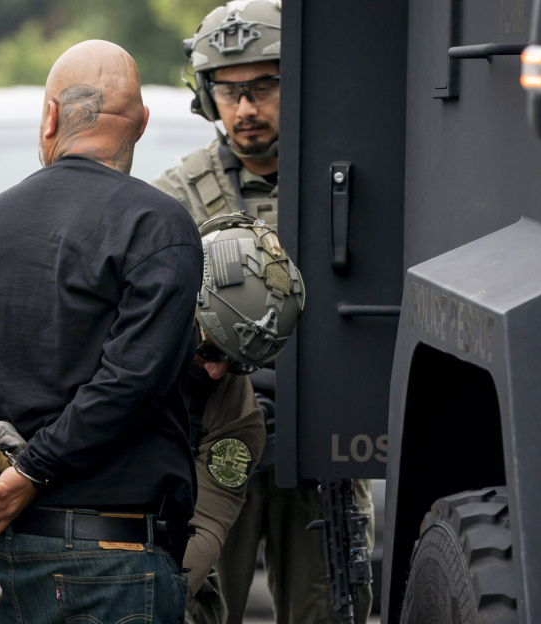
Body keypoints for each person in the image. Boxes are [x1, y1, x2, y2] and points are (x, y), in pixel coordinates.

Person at [0, 40, 203, 624]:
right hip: (108, 566)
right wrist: (30, 472)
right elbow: (131, 378)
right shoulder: (159, 227)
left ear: (49, 117)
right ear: (142, 124)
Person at [0, 214, 307, 624]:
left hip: (135, 577)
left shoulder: (234, 417)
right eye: (210, 349)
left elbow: (202, 536)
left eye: (237, 363)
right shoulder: (97, 311)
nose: (217, 372)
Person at [152, 3, 375, 622]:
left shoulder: (345, 184)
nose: (245, 108)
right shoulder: (176, 196)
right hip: (211, 439)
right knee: (194, 604)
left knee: (330, 609)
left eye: (264, 86)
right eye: (229, 89)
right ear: (206, 95)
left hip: (323, 448)